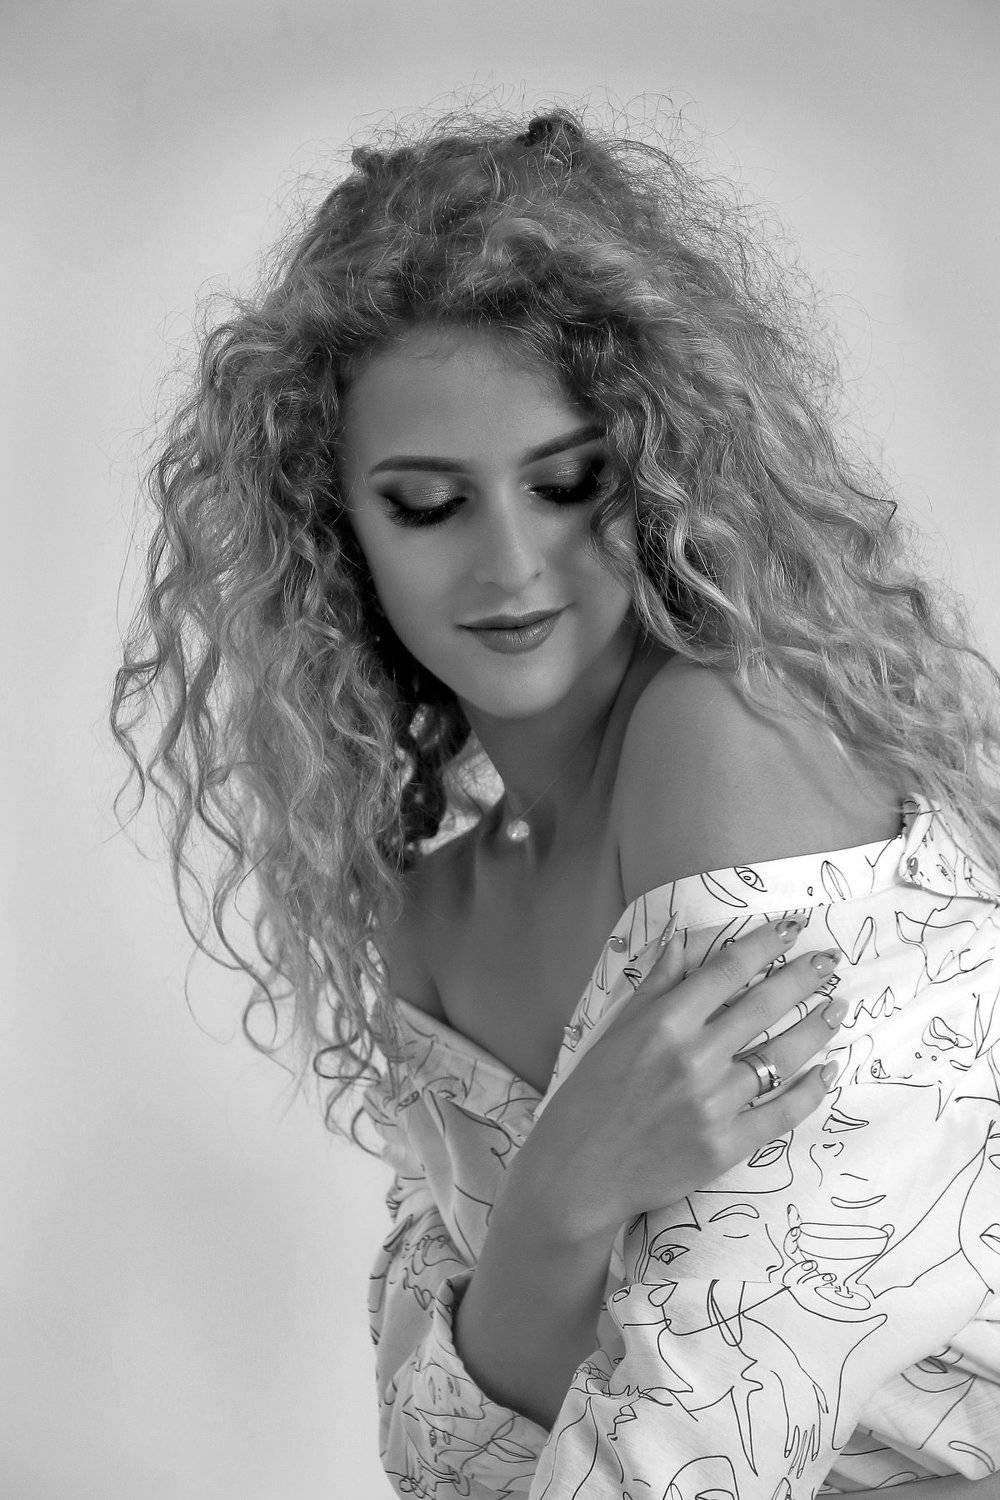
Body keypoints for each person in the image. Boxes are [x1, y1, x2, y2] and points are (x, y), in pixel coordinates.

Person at [111, 105, 1000, 1499]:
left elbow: (708, 1433)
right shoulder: (433, 916)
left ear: (663, 475)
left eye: (570, 483)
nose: (511, 564)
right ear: (336, 528)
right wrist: (560, 1194)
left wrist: (538, 1271)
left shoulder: (726, 741)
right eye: (428, 504)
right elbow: (435, 1454)